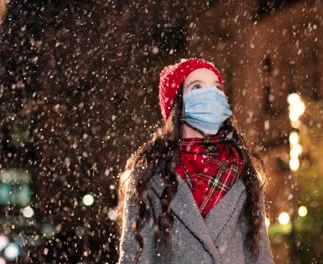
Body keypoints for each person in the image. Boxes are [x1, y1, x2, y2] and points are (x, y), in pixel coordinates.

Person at [117, 58, 273, 263]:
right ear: (178, 104)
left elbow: (260, 257)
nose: (211, 96)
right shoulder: (149, 176)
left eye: (217, 88)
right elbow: (134, 258)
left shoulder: (243, 172)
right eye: (197, 87)